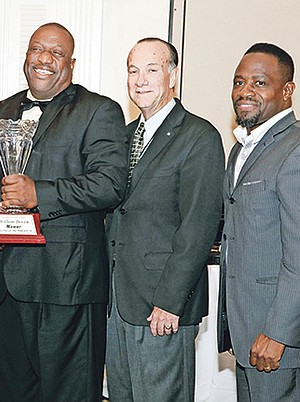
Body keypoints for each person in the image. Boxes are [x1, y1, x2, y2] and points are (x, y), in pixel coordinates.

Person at [0, 22, 129, 401]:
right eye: (37, 49)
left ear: (71, 63)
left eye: (55, 53)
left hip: (68, 283)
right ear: (26, 57)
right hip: (9, 285)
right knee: (15, 393)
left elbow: (110, 184)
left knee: (68, 395)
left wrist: (39, 193)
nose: (44, 59)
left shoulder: (98, 110)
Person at [219, 43, 300, 401]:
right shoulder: (242, 148)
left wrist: (278, 333)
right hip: (251, 332)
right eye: (239, 82)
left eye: (259, 83)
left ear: (286, 91)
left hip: (286, 339)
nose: (245, 91)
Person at [104, 38, 224, 401]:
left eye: (152, 70)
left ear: (173, 75)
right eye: (133, 71)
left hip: (162, 305)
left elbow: (198, 226)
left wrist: (171, 301)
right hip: (116, 302)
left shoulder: (199, 137)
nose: (140, 80)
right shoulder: (122, 138)